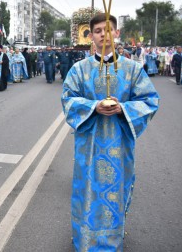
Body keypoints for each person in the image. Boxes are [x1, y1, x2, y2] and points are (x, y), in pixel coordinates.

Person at [61, 14, 159, 251]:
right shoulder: (79, 69)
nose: (103, 34)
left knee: (115, 191)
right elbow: (68, 99)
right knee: (87, 190)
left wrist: (123, 107)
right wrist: (93, 106)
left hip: (119, 144)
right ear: (90, 36)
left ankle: (111, 241)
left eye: (108, 29)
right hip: (89, 146)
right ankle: (83, 238)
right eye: (97, 30)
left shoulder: (133, 69)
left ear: (117, 33)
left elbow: (150, 101)